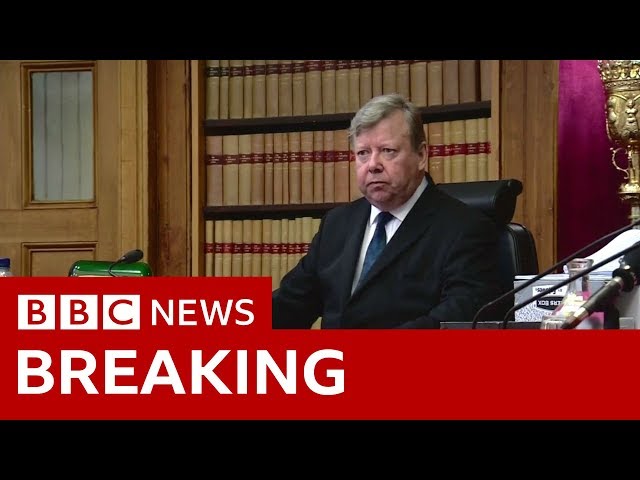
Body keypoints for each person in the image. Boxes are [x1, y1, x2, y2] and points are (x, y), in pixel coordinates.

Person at [272, 93, 505, 328]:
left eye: (388, 150)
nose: (373, 165)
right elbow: (289, 304)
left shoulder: (464, 229)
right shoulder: (337, 223)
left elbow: (456, 319)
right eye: (363, 153)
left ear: (422, 155)